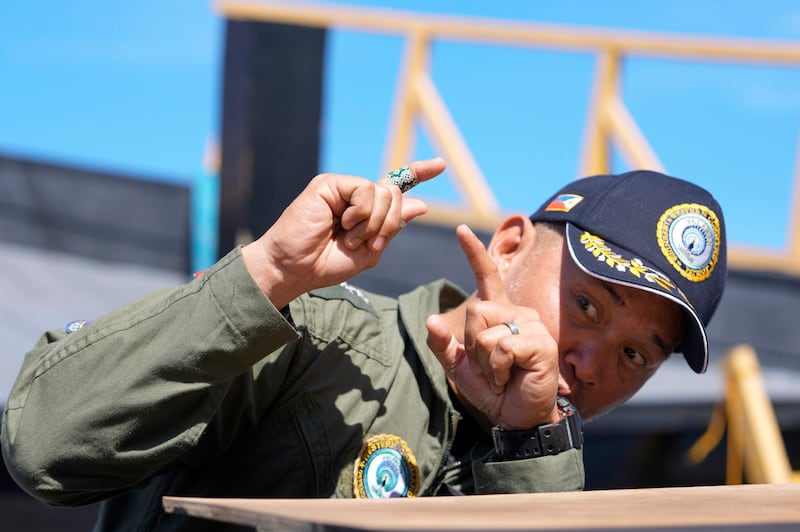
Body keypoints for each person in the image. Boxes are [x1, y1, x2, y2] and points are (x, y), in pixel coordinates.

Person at [1, 158, 726, 531]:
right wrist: (269, 276)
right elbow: (45, 446)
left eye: (636, 354)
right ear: (507, 247)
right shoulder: (313, 330)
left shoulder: (547, 466)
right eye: (587, 303)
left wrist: (530, 449)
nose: (589, 363)